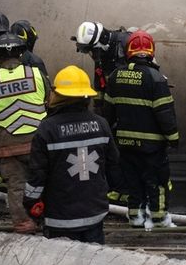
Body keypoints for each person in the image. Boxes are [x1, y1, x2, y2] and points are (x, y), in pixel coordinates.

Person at [24, 65, 121, 243]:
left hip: (60, 218)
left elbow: (37, 173)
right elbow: (114, 166)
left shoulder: (48, 128)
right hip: (94, 214)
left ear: (58, 95)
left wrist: (30, 201)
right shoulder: (101, 124)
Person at [101, 30, 178, 229]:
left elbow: (107, 113)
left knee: (133, 182)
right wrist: (173, 138)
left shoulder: (115, 76)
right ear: (151, 51)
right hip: (152, 146)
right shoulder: (156, 78)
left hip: (125, 144)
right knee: (157, 182)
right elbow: (165, 114)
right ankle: (159, 219)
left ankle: (135, 218)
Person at [0, 32, 48, 234]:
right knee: (46, 181)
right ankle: (50, 219)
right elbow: (48, 102)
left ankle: (24, 224)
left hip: (8, 145)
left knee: (16, 186)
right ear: (20, 54)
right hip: (39, 143)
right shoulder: (37, 75)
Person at [72, 20, 131, 93]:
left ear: (100, 42)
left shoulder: (126, 42)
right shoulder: (100, 55)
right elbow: (99, 86)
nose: (91, 53)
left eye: (89, 49)